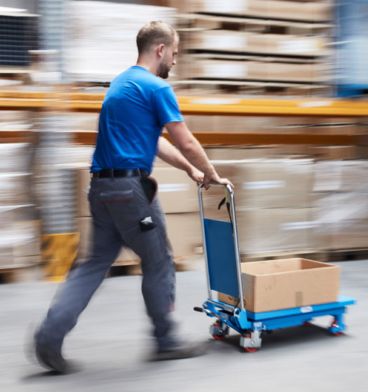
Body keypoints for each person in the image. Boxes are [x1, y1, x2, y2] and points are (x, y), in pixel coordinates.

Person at [34, 21, 233, 373]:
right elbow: (185, 139)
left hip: (101, 191)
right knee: (158, 259)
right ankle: (166, 340)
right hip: (131, 193)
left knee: (94, 264)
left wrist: (190, 169)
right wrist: (213, 174)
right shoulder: (156, 88)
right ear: (160, 50)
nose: (175, 60)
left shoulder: (121, 84)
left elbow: (155, 141)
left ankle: (49, 336)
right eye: (174, 52)